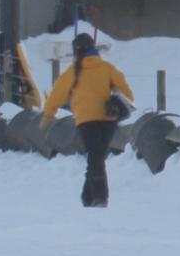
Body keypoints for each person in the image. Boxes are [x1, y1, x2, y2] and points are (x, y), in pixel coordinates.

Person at [40, 33, 135, 208]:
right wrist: (116, 99)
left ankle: (99, 197)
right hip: (108, 119)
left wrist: (48, 114)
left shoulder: (72, 72)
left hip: (86, 120)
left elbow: (57, 93)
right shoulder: (107, 68)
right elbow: (127, 93)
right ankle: (89, 196)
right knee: (97, 156)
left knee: (95, 156)